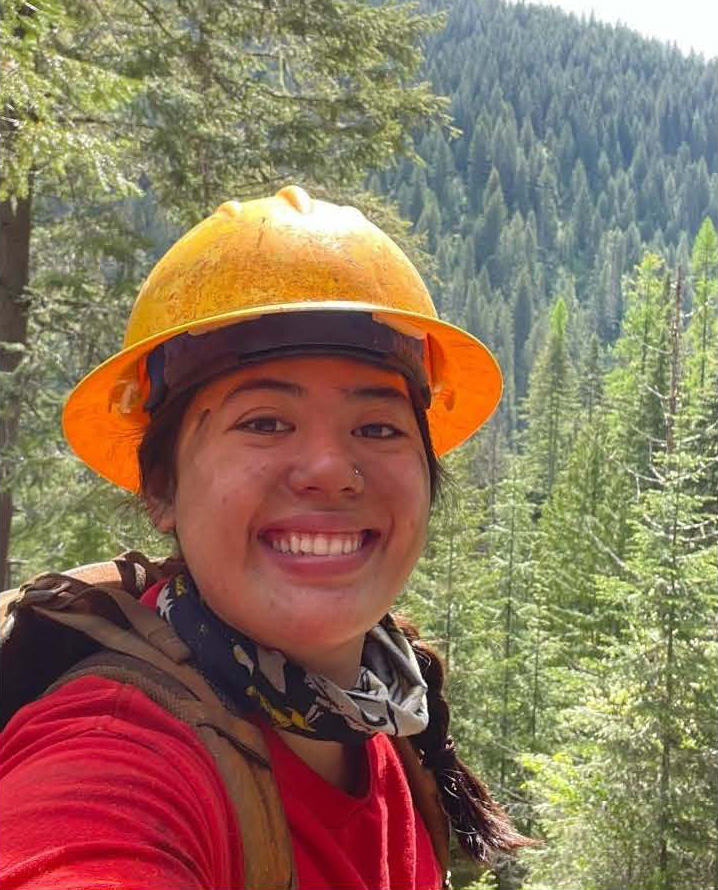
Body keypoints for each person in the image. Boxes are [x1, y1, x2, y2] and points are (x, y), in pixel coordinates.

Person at [0, 186, 530, 889]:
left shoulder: (382, 722)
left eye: (377, 428)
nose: (331, 470)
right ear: (161, 486)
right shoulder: (115, 755)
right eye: (264, 422)